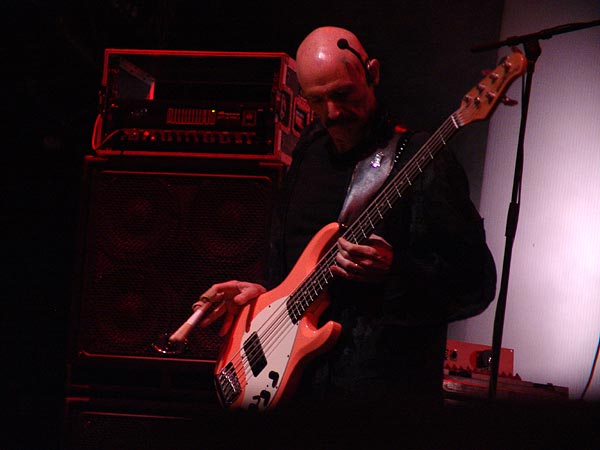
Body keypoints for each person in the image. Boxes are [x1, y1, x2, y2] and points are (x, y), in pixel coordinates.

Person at [195, 25, 497, 414]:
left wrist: (396, 272)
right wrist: (260, 298)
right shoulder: (309, 150)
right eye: (317, 100)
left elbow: (476, 283)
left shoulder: (422, 160)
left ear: (372, 73)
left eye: (343, 94)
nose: (332, 114)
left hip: (376, 404)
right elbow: (290, 272)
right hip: (290, 395)